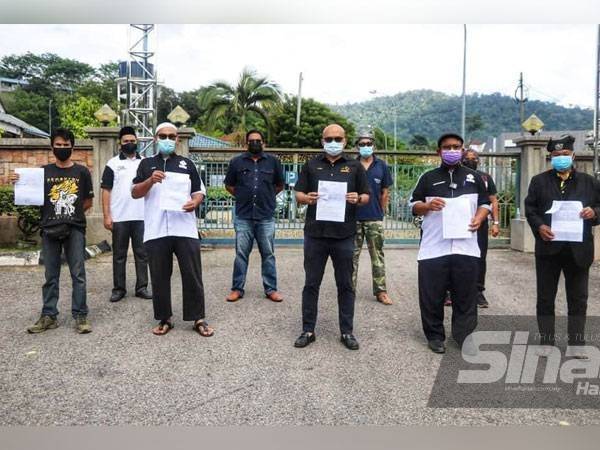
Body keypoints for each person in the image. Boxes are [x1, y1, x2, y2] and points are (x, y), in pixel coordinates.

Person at [409, 133, 490, 354]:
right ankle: (435, 336)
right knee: (431, 295)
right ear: (439, 151)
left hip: (466, 246)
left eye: (456, 147)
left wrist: (480, 216)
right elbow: (413, 204)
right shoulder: (427, 178)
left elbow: (485, 203)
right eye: (447, 147)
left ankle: (464, 336)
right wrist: (426, 206)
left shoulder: (475, 178)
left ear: (463, 150)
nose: (452, 150)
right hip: (434, 247)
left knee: (465, 295)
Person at [131, 122, 214, 337]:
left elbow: (198, 191)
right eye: (163, 135)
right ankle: (164, 318)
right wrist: (150, 180)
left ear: (177, 139)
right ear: (156, 139)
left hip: (184, 228)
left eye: (171, 136)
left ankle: (198, 318)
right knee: (159, 276)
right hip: (156, 229)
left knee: (192, 274)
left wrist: (195, 202)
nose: (167, 139)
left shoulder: (187, 164)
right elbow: (135, 192)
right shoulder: (146, 164)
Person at [293, 124, 370, 350]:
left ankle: (347, 332)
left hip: (345, 235)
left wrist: (358, 198)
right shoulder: (311, 165)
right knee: (311, 284)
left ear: (345, 141)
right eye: (329, 138)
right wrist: (307, 198)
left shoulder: (355, 167)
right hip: (315, 234)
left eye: (338, 138)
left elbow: (366, 196)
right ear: (322, 141)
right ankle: (308, 330)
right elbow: (298, 193)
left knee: (345, 284)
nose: (333, 142)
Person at [11, 128, 94, 334]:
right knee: (51, 275)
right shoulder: (43, 172)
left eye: (66, 145)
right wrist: (17, 183)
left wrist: (70, 215)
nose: (62, 148)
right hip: (48, 229)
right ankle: (49, 315)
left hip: (75, 228)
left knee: (78, 274)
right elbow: (30, 196)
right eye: (58, 145)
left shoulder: (82, 172)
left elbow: (87, 201)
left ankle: (80, 315)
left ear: (72, 147)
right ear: (52, 147)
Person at [524, 134, 600, 358]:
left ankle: (576, 344)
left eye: (565, 154)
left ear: (573, 155)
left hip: (579, 250)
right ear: (550, 157)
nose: (561, 158)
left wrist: (594, 212)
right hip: (549, 249)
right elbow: (530, 209)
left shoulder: (590, 182)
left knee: (578, 299)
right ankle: (547, 341)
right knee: (545, 297)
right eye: (556, 155)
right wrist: (539, 227)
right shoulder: (539, 181)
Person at [224, 129, 285, 303]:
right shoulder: (236, 162)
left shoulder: (273, 162)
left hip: (265, 216)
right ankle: (237, 289)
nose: (255, 143)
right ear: (246, 143)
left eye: (258, 140)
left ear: (263, 143)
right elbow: (229, 186)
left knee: (268, 254)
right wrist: (243, 196)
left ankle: (271, 289)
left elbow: (279, 185)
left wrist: (266, 197)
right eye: (251, 141)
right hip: (243, 216)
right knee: (241, 254)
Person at [101, 126, 151, 303]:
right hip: (120, 217)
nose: (129, 144)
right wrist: (107, 215)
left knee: (142, 254)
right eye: (125, 141)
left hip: (141, 216)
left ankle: (142, 287)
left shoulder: (145, 162)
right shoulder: (112, 164)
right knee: (119, 255)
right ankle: (119, 289)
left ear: (137, 142)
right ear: (119, 144)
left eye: (132, 141)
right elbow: (106, 190)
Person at [351, 131, 393, 305]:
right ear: (357, 147)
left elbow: (385, 192)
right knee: (351, 256)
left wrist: (380, 212)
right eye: (362, 144)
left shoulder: (381, 166)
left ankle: (381, 291)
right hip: (353, 218)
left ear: (374, 146)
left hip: (374, 218)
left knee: (377, 256)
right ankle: (349, 290)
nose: (366, 147)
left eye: (369, 144)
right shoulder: (351, 165)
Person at [461, 148, 500, 308]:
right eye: (467, 158)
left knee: (479, 257)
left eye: (474, 158)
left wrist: (495, 223)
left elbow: (493, 201)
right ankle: (450, 291)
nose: (471, 161)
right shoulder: (455, 175)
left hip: (480, 223)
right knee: (456, 256)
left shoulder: (485, 177)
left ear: (479, 160)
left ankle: (478, 291)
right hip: (459, 222)